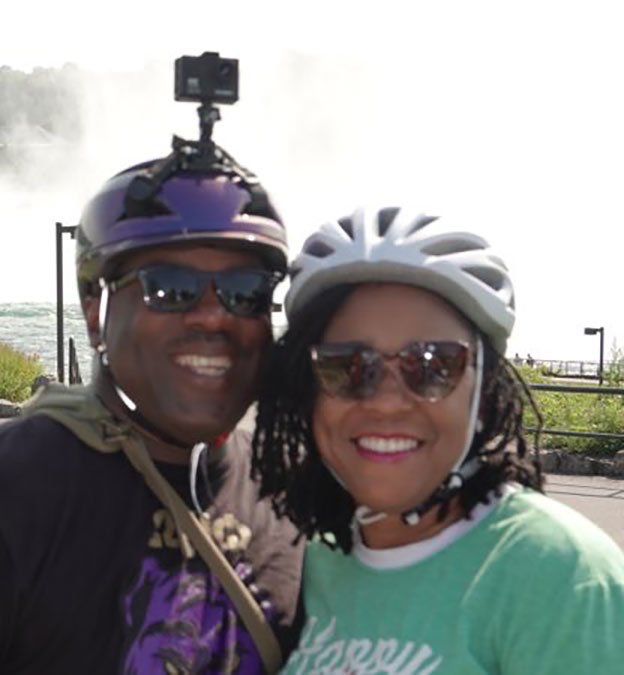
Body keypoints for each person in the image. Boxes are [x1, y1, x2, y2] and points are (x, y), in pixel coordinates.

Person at [0, 150, 305, 671]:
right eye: (170, 289)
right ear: (96, 312)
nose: (212, 317)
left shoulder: (297, 497)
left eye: (245, 292)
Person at [252, 206, 624, 673]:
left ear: (483, 394)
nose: (387, 403)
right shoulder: (313, 560)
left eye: (433, 366)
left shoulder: (561, 576)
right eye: (346, 366)